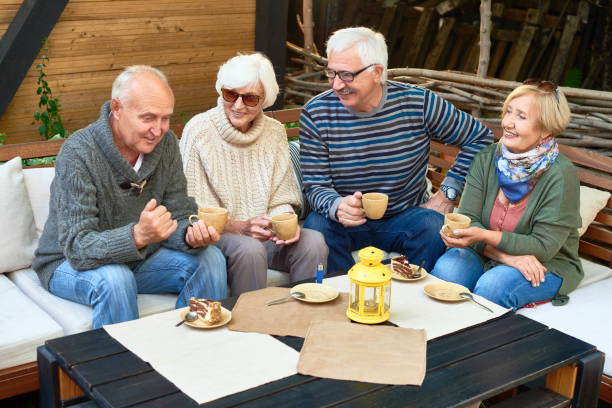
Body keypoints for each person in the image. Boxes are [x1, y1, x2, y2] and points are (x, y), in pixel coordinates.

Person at [33, 65, 227, 329]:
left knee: (210, 259)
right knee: (115, 279)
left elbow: (179, 214)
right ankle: (124, 368)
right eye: (148, 118)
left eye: (165, 118)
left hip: (139, 257)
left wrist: (188, 235)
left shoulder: (166, 144)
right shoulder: (79, 153)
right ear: (117, 108)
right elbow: (77, 247)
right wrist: (138, 235)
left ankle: (196, 353)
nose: (158, 130)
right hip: (65, 261)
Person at [299, 27, 493, 273]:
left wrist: (446, 196)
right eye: (331, 73)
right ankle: (347, 293)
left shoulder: (418, 103)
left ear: (376, 72)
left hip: (405, 216)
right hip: (347, 222)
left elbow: (480, 137)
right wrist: (336, 206)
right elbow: (315, 185)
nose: (337, 84)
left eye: (346, 75)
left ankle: (409, 297)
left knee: (433, 225)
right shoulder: (317, 113)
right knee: (317, 225)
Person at [180, 53, 328, 296]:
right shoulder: (199, 130)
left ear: (264, 100)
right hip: (221, 236)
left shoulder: (275, 132)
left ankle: (302, 323)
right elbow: (191, 208)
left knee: (313, 242)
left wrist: (284, 224)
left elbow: (283, 196)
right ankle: (252, 328)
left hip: (264, 234)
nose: (238, 105)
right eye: (230, 94)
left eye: (249, 98)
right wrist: (240, 227)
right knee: (250, 249)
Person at [430, 80, 583, 309]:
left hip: (545, 262)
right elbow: (470, 222)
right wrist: (505, 257)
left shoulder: (561, 175)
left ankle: (478, 344)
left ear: (545, 129)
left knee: (493, 287)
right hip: (486, 252)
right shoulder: (487, 158)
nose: (508, 123)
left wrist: (484, 237)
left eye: (521, 116)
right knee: (447, 271)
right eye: (508, 111)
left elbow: (543, 247)